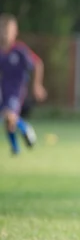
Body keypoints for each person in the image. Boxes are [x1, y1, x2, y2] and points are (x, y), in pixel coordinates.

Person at [0, 14, 47, 155]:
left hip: (17, 89)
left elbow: (38, 64)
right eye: (2, 29)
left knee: (9, 115)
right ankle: (15, 148)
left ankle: (25, 128)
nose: (4, 33)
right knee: (8, 121)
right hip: (4, 89)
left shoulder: (20, 50)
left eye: (7, 30)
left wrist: (37, 85)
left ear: (15, 32)